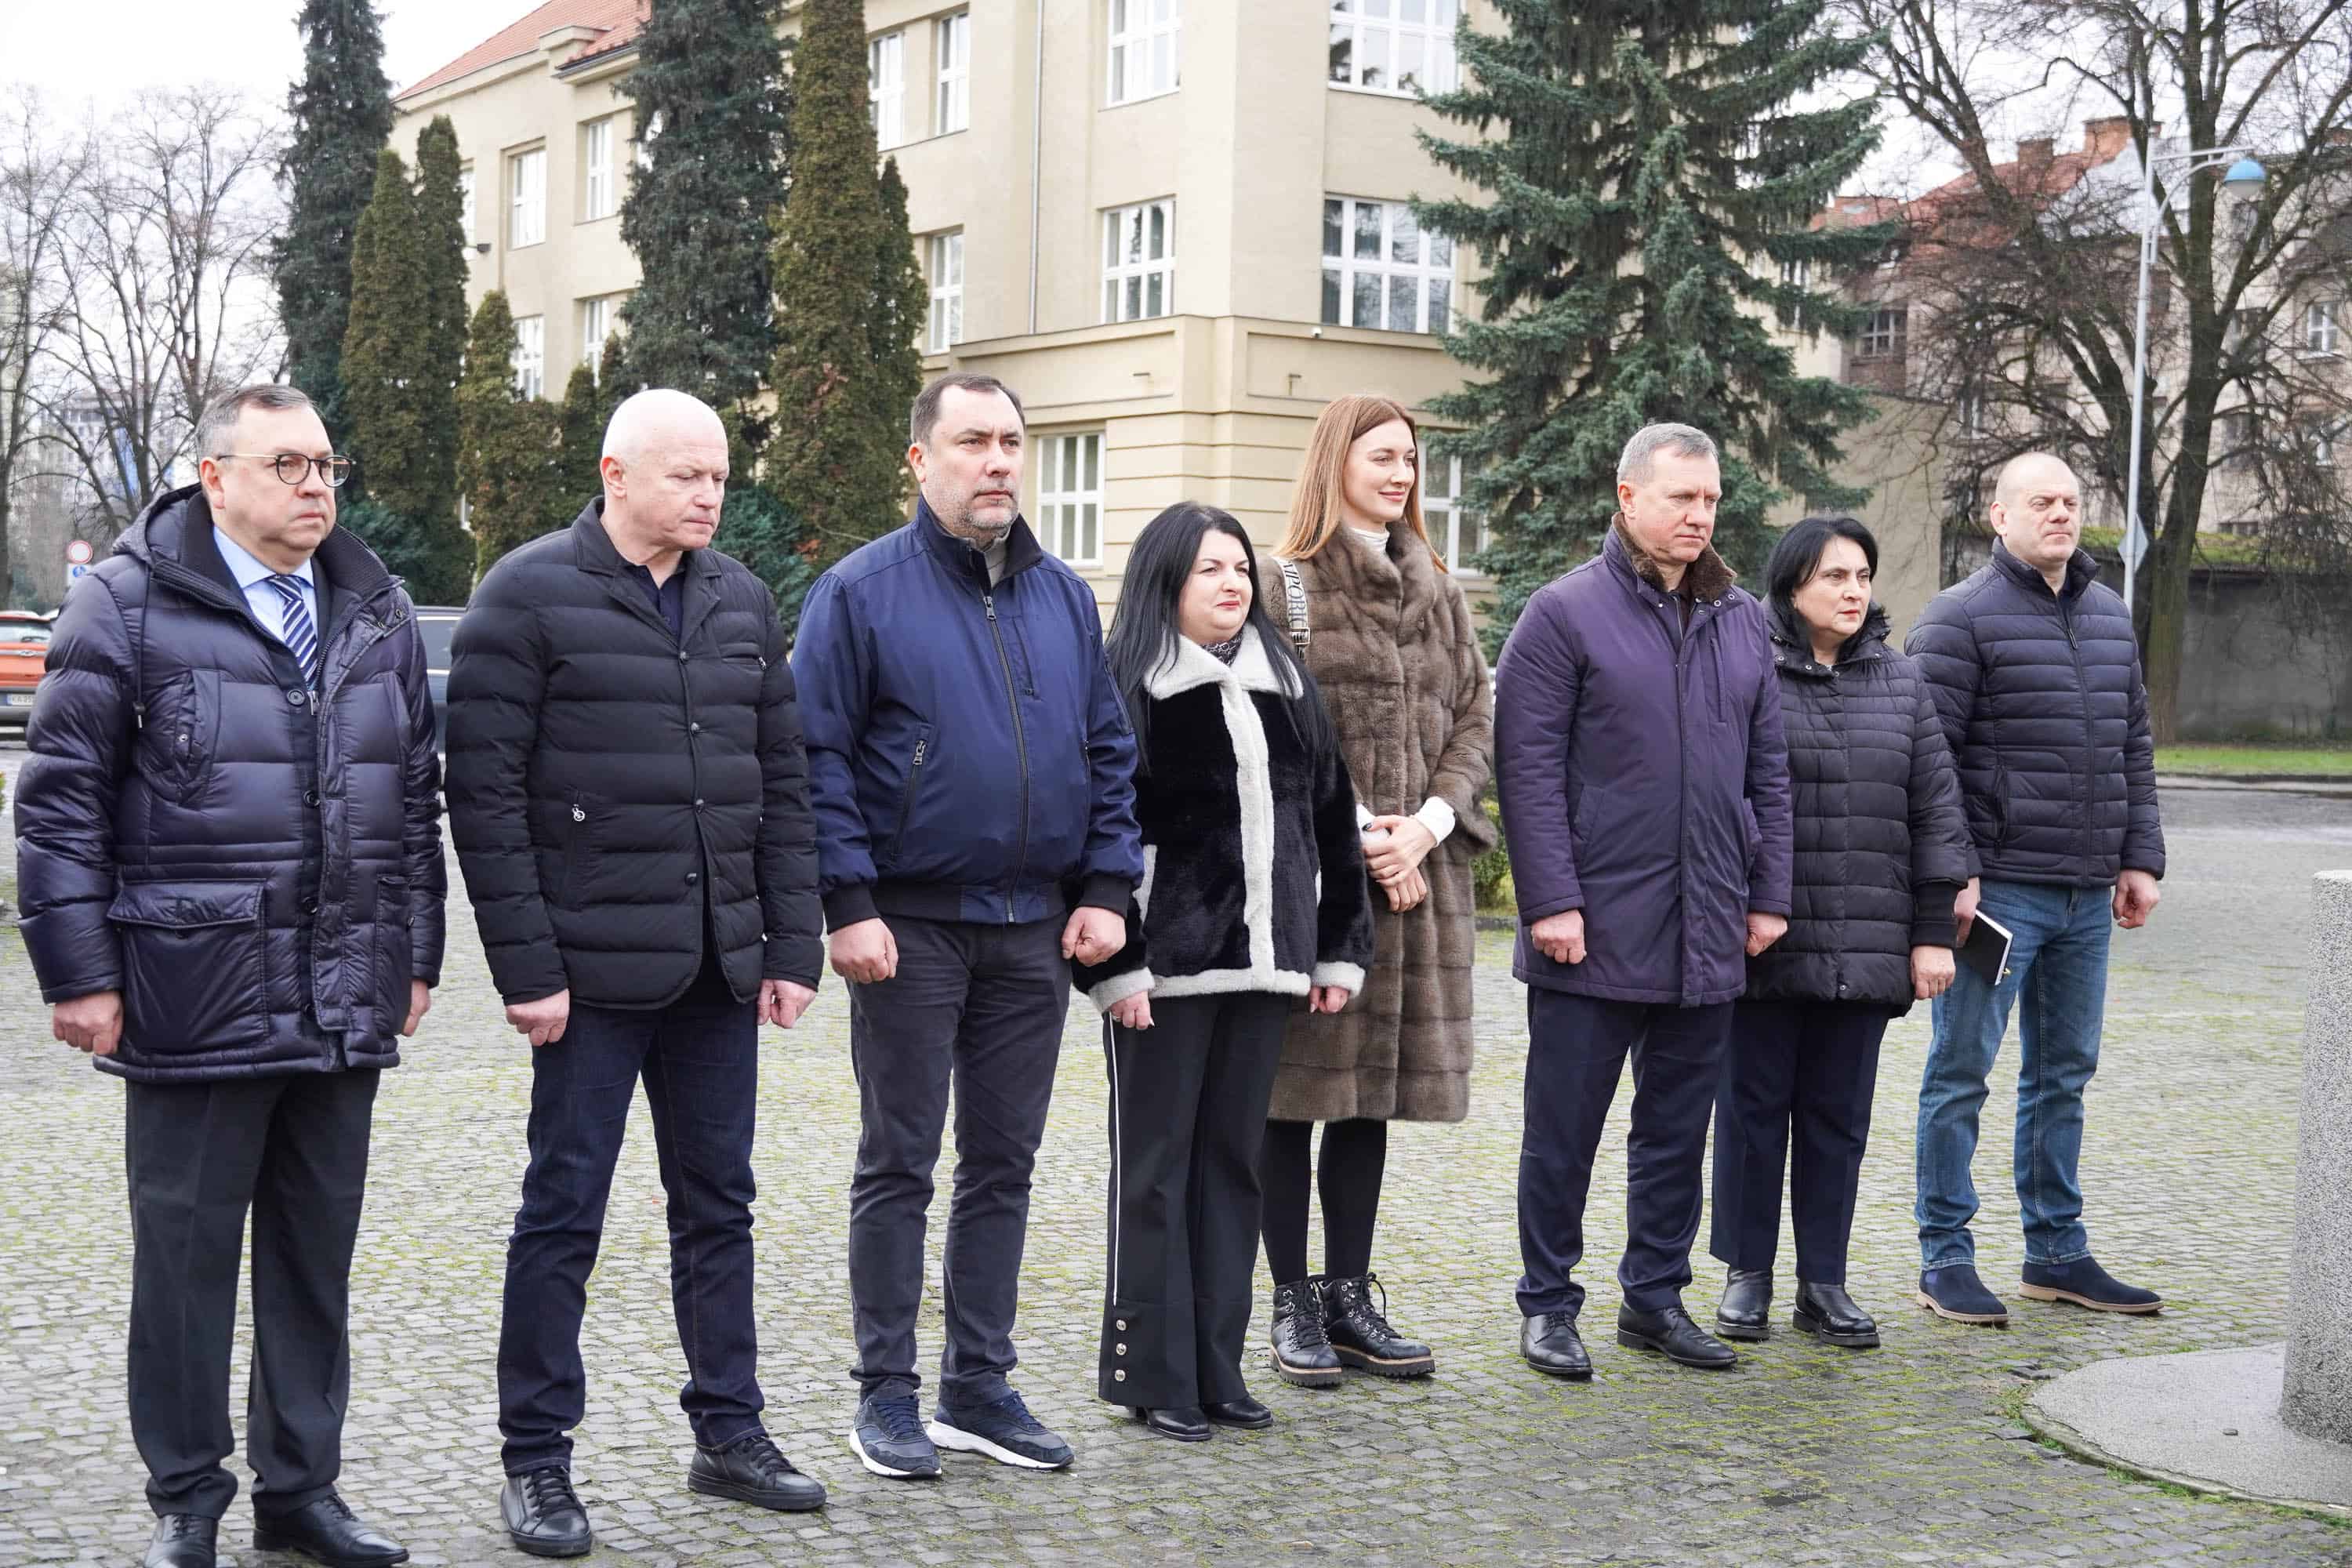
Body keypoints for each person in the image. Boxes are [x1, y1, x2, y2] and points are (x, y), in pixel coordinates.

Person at [13, 384, 445, 1568]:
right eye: (287, 464)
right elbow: (58, 810)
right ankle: (187, 1499)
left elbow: (412, 801)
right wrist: (78, 976)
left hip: (342, 992)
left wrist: (414, 953)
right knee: (187, 1264)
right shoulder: (126, 603)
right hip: (192, 989)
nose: (316, 486)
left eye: (327, 465)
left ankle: (301, 1493)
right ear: (214, 477)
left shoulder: (372, 608)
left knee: (313, 1262)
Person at [445, 388, 829, 1559]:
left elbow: (781, 783)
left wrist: (791, 945)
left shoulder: (741, 600)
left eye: (718, 475)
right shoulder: (526, 594)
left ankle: (730, 1431)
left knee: (721, 1207)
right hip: (588, 978)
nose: (712, 495)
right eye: (687, 477)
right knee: (562, 1214)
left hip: (720, 970)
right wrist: (528, 966)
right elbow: (485, 799)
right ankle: (538, 1462)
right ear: (616, 474)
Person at [792, 372, 1143, 1481]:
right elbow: (818, 760)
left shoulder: (1062, 598)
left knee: (1006, 1162)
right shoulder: (859, 594)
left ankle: (978, 1385)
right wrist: (846, 903)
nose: (997, 462)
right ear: (922, 460)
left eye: (1012, 443)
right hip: (911, 927)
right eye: (974, 442)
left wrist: (1107, 890)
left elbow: (1107, 755)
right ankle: (886, 1393)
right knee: (899, 1161)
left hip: (1035, 928)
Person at [1494, 422, 1793, 1379]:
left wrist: (1767, 894)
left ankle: (1654, 1298)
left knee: (1677, 1130)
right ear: (1628, 499)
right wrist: (1551, 900)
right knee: (1564, 1132)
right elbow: (1526, 770)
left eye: (1710, 500)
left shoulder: (1742, 618)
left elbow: (1770, 772)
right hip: (1590, 927)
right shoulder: (1563, 614)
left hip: (1709, 922)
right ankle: (1548, 1303)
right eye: (1680, 499)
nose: (1699, 516)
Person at [1077, 503, 1376, 1442]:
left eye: (1240, 567)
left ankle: (1218, 1365)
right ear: (1166, 580)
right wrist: (1118, 965)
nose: (1231, 583)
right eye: (1210, 568)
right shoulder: (1131, 688)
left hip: (1267, 968)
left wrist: (1337, 946)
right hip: (1160, 977)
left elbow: (1333, 822)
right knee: (1156, 1172)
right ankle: (1150, 1372)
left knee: (1233, 1169)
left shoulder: (1286, 685)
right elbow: (1101, 837)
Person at [1257, 394, 1494, 1387]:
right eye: (1383, 457)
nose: (1401, 476)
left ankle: (1350, 1293)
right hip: (1319, 883)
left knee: (1368, 1098)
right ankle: (1289, 1297)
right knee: (1292, 1094)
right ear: (1335, 460)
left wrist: (1430, 825)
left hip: (1414, 882)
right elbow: (1269, 725)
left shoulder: (1438, 589)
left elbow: (1477, 714)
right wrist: (1355, 830)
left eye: (1410, 461)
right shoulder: (1284, 585)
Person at [1905, 452, 2166, 1326]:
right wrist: (1953, 871)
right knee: (1961, 1072)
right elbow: (1925, 758)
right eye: (2041, 502)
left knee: (2064, 1076)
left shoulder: (2107, 616)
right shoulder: (1958, 618)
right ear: (1998, 515)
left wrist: (2141, 857)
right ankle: (1945, 1257)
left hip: (2088, 892)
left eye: (2070, 501)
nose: (2059, 513)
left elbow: (2134, 742)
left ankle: (2057, 1252)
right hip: (1998, 895)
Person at [1707, 517, 1976, 1350]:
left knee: (1838, 1119)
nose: (1854, 590)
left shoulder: (1902, 683)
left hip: (1865, 942)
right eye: (1834, 576)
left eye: (1862, 574)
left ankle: (1824, 1280)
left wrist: (1932, 932)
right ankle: (1747, 1273)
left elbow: (1937, 812)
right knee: (1752, 1114)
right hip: (1765, 940)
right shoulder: (1748, 672)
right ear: (1792, 586)